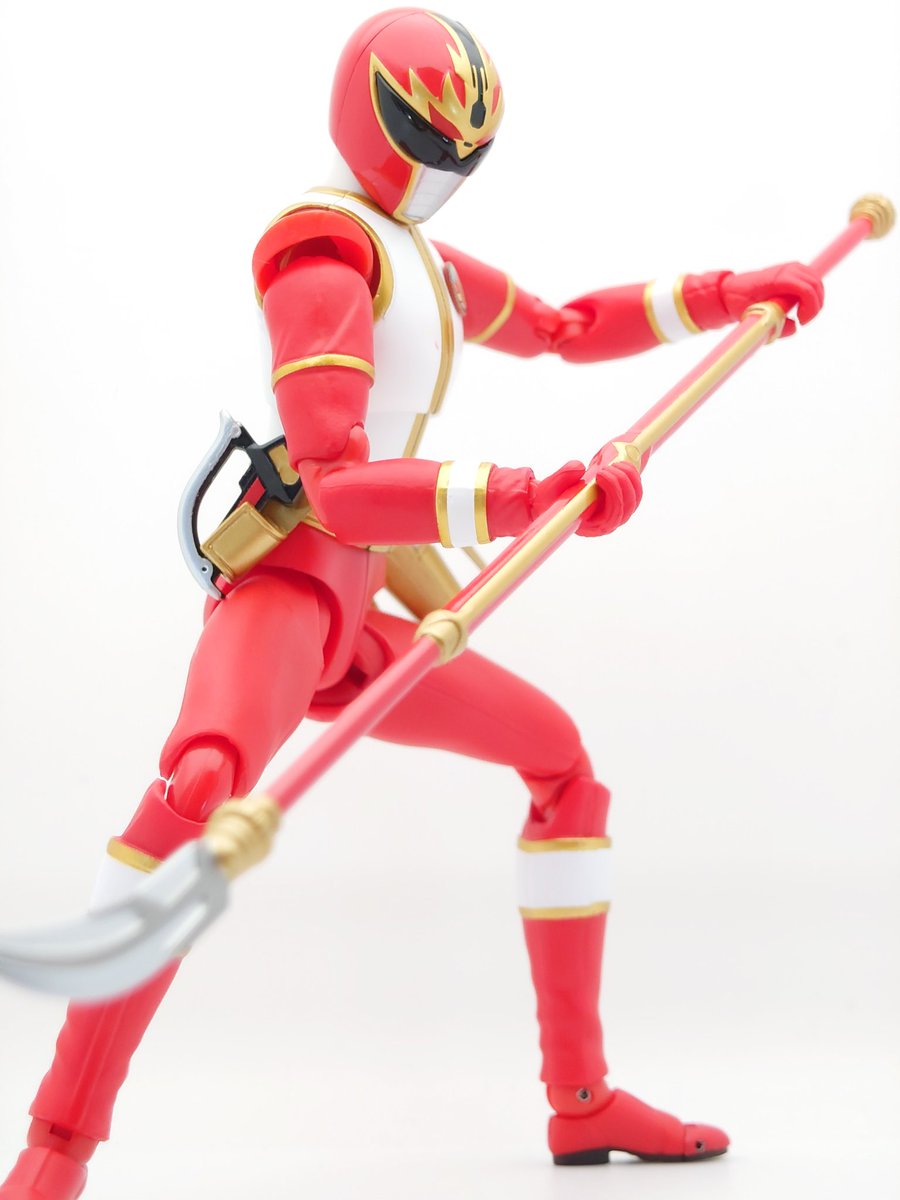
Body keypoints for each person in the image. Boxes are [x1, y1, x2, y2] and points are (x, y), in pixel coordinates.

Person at [0, 9, 825, 1198]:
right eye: (427, 142)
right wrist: (528, 492)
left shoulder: (420, 263)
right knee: (198, 793)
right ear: (369, 116)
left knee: (563, 766)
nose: (441, 170)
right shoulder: (325, 252)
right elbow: (334, 482)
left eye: (463, 153)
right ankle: (53, 1151)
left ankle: (582, 1102)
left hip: (368, 604)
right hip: (290, 590)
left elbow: (563, 327)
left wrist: (729, 292)